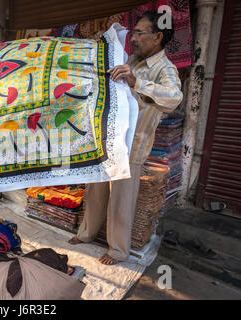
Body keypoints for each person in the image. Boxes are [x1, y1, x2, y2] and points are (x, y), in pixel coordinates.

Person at [68, 11, 184, 265]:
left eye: (140, 33)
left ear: (158, 37)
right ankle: (86, 234)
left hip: (132, 146)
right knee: (95, 189)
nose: (134, 39)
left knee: (121, 199)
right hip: (108, 138)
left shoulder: (165, 69)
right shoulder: (132, 59)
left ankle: (118, 250)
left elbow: (174, 97)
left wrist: (137, 82)